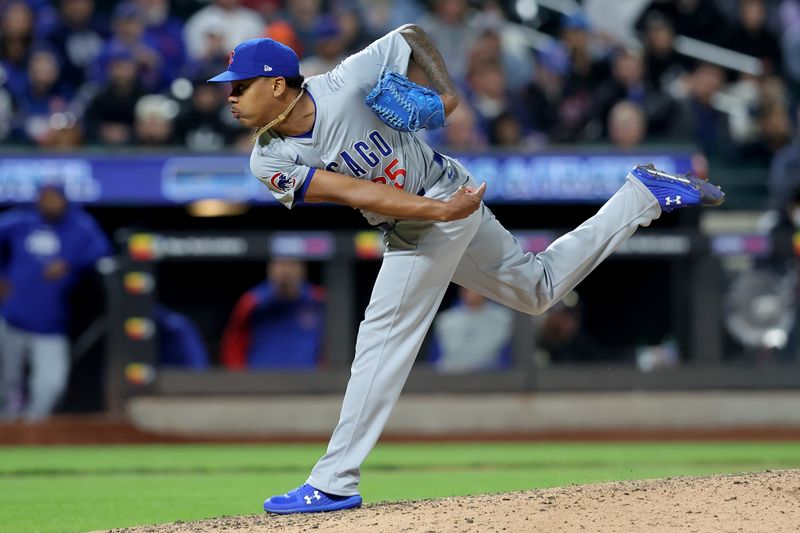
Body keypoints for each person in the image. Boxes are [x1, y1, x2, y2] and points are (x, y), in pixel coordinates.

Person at [207, 24, 725, 514]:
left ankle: (333, 482)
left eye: (240, 86)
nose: (229, 97)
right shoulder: (267, 159)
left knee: (382, 339)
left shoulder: (345, 81)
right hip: (433, 209)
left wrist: (448, 96)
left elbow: (410, 36)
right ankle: (641, 197)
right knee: (537, 289)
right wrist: (440, 212)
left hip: (441, 199)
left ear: (277, 85)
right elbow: (351, 191)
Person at [0, 182, 110, 422]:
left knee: (52, 384)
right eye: (44, 197)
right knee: (7, 381)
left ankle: (33, 429)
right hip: (11, 318)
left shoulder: (80, 226)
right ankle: (6, 429)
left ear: (65, 200)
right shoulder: (22, 222)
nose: (49, 203)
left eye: (54, 198)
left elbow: (102, 252)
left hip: (51, 324)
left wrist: (70, 262)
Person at [220, 257, 325, 370]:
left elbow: (333, 344)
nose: (285, 271)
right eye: (280, 264)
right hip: (260, 382)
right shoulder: (252, 302)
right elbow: (232, 343)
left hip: (309, 381)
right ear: (270, 268)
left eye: (292, 264)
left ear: (303, 269)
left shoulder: (318, 299)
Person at [428, 286, 513, 373]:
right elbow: (435, 357)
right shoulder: (445, 320)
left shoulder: (504, 318)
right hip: (451, 377)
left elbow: (507, 355)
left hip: (491, 377)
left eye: (474, 288)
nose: (470, 292)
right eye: (466, 288)